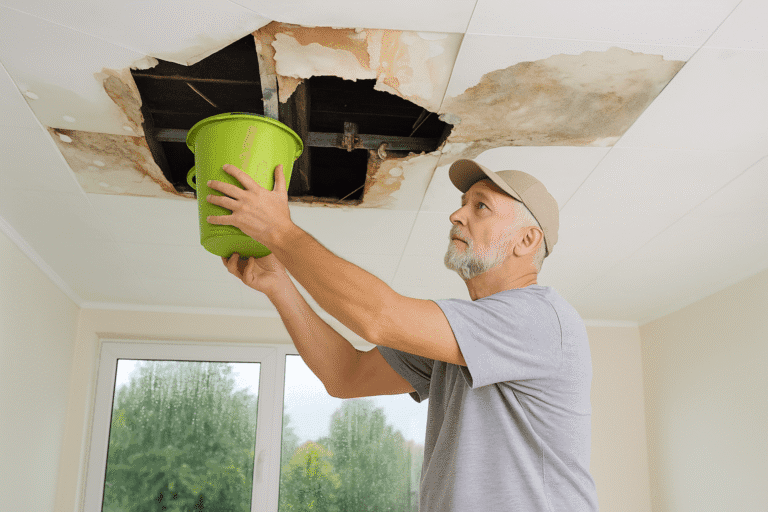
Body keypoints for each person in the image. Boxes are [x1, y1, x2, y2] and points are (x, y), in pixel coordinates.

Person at [212, 158, 599, 511]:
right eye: (464, 202)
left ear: (526, 240)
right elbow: (346, 375)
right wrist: (281, 287)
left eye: (480, 206)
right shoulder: (461, 337)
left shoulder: (540, 318)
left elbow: (379, 316)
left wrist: (281, 232)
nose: (456, 214)